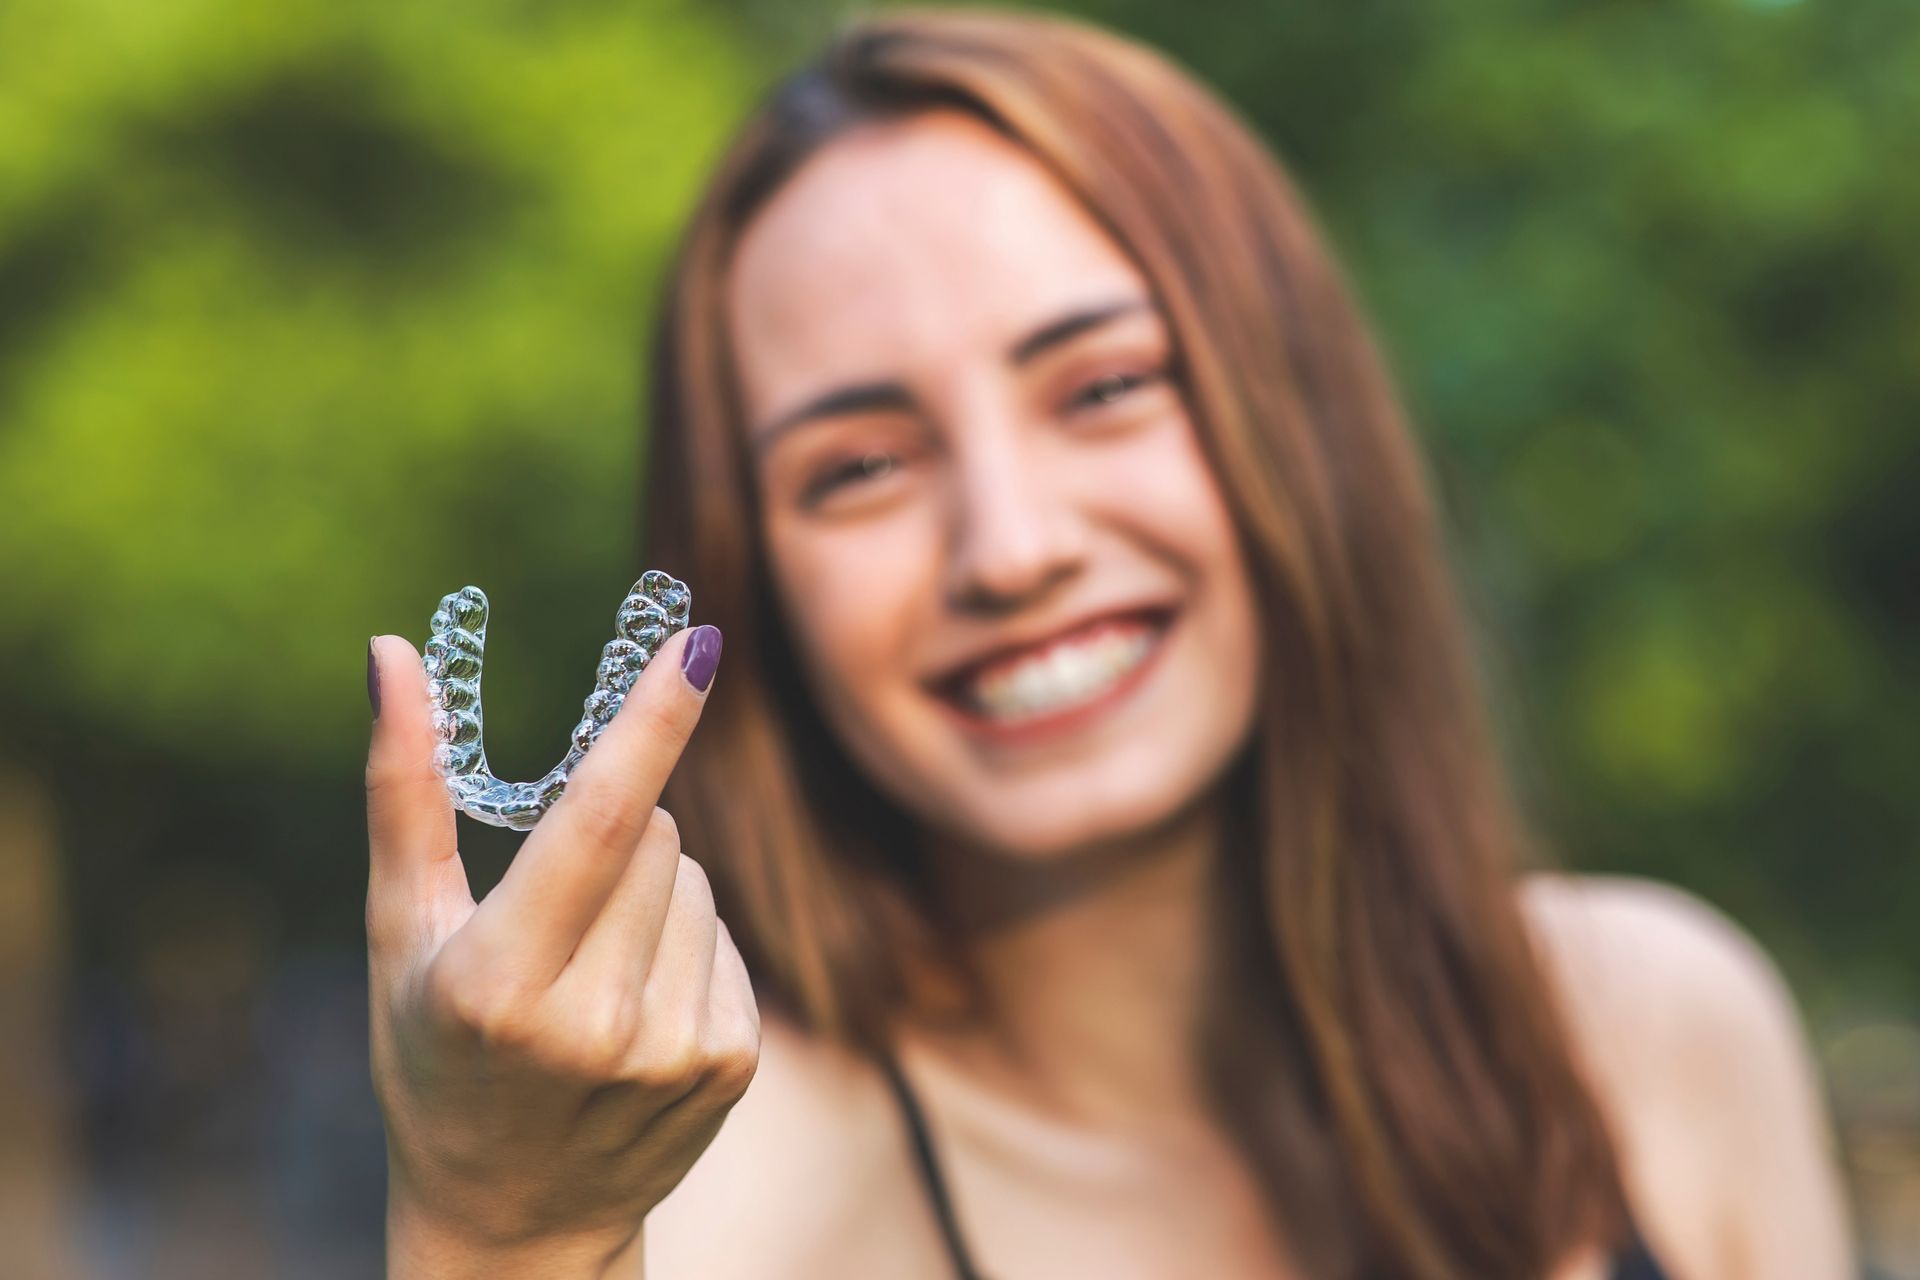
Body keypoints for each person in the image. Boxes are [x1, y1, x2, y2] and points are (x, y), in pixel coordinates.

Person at [362, 9, 1855, 1278]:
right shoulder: (713, 1193)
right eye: (860, 468)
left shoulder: (1654, 1032)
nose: (1012, 548)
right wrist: (498, 1231)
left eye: (1105, 385)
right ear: (747, 582)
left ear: (1300, 412)